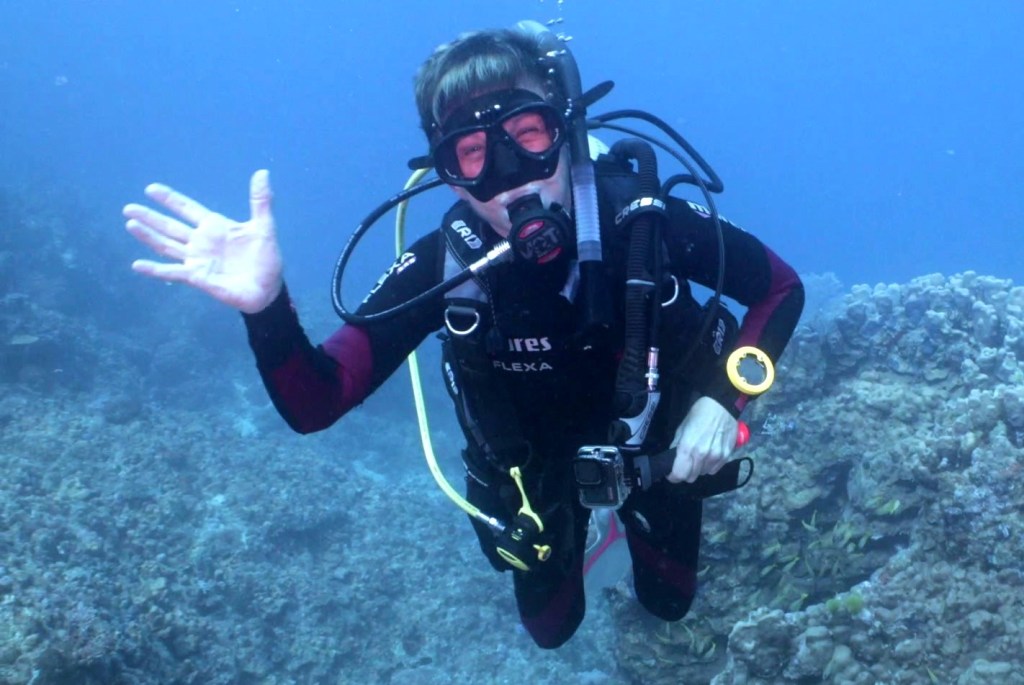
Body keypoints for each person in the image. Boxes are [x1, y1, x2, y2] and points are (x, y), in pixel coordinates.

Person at [124, 23, 804, 649]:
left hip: (661, 450)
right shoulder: (445, 265)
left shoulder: (643, 220)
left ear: (566, 130)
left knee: (669, 604)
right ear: (444, 170)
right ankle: (585, 531)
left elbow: (780, 287)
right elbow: (314, 402)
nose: (507, 179)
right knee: (551, 630)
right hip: (532, 478)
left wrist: (723, 399)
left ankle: (624, 526)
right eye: (472, 154)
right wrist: (266, 308)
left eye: (528, 135)